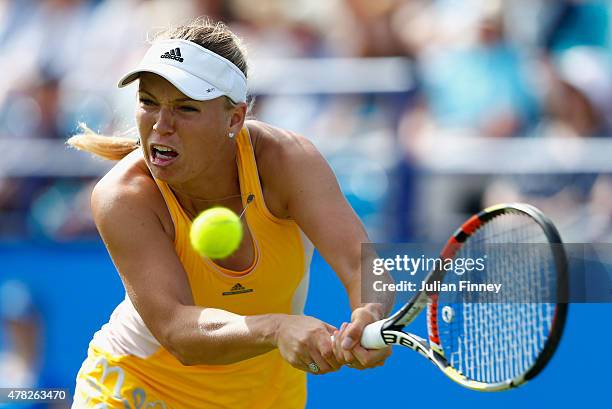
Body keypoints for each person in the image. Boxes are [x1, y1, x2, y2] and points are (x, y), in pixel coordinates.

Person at [68, 18, 391, 409]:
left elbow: (362, 264)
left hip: (268, 396)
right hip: (138, 391)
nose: (161, 125)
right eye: (148, 102)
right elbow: (176, 329)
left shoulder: (286, 161)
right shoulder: (123, 195)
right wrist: (276, 328)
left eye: (185, 108)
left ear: (234, 118)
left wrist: (369, 312)